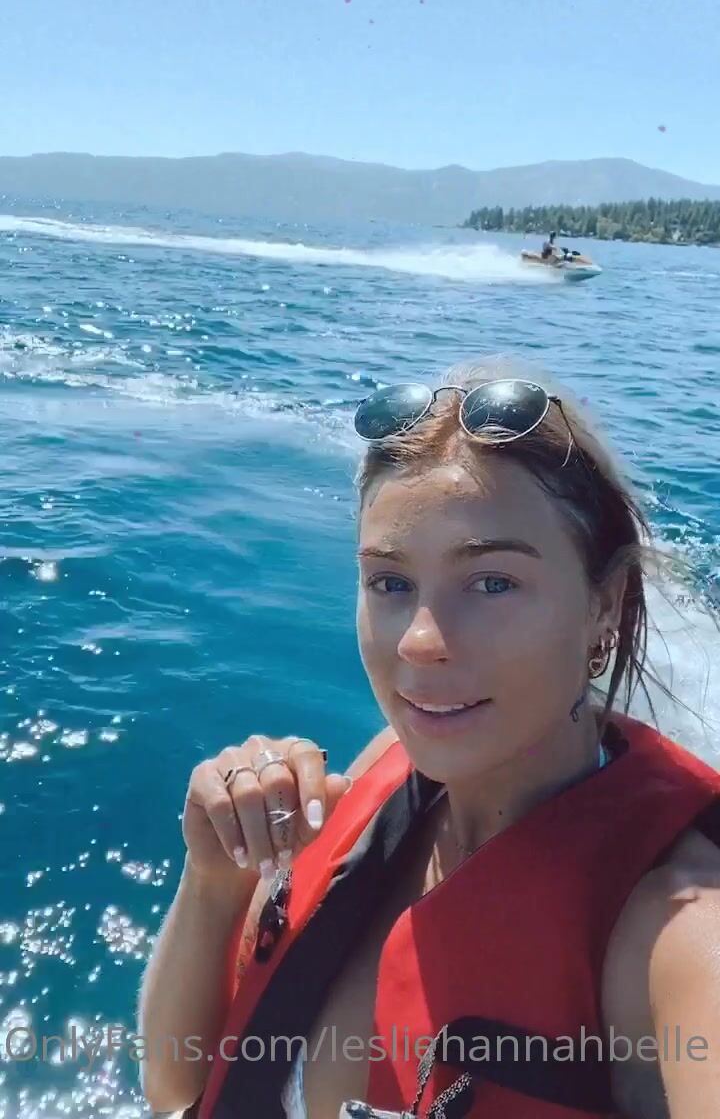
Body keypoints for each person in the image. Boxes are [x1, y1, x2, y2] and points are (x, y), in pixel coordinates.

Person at [138, 360, 720, 1119]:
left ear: (603, 605)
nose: (419, 641)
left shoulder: (677, 931)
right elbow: (176, 1087)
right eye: (391, 583)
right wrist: (217, 878)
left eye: (493, 583)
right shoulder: (385, 771)